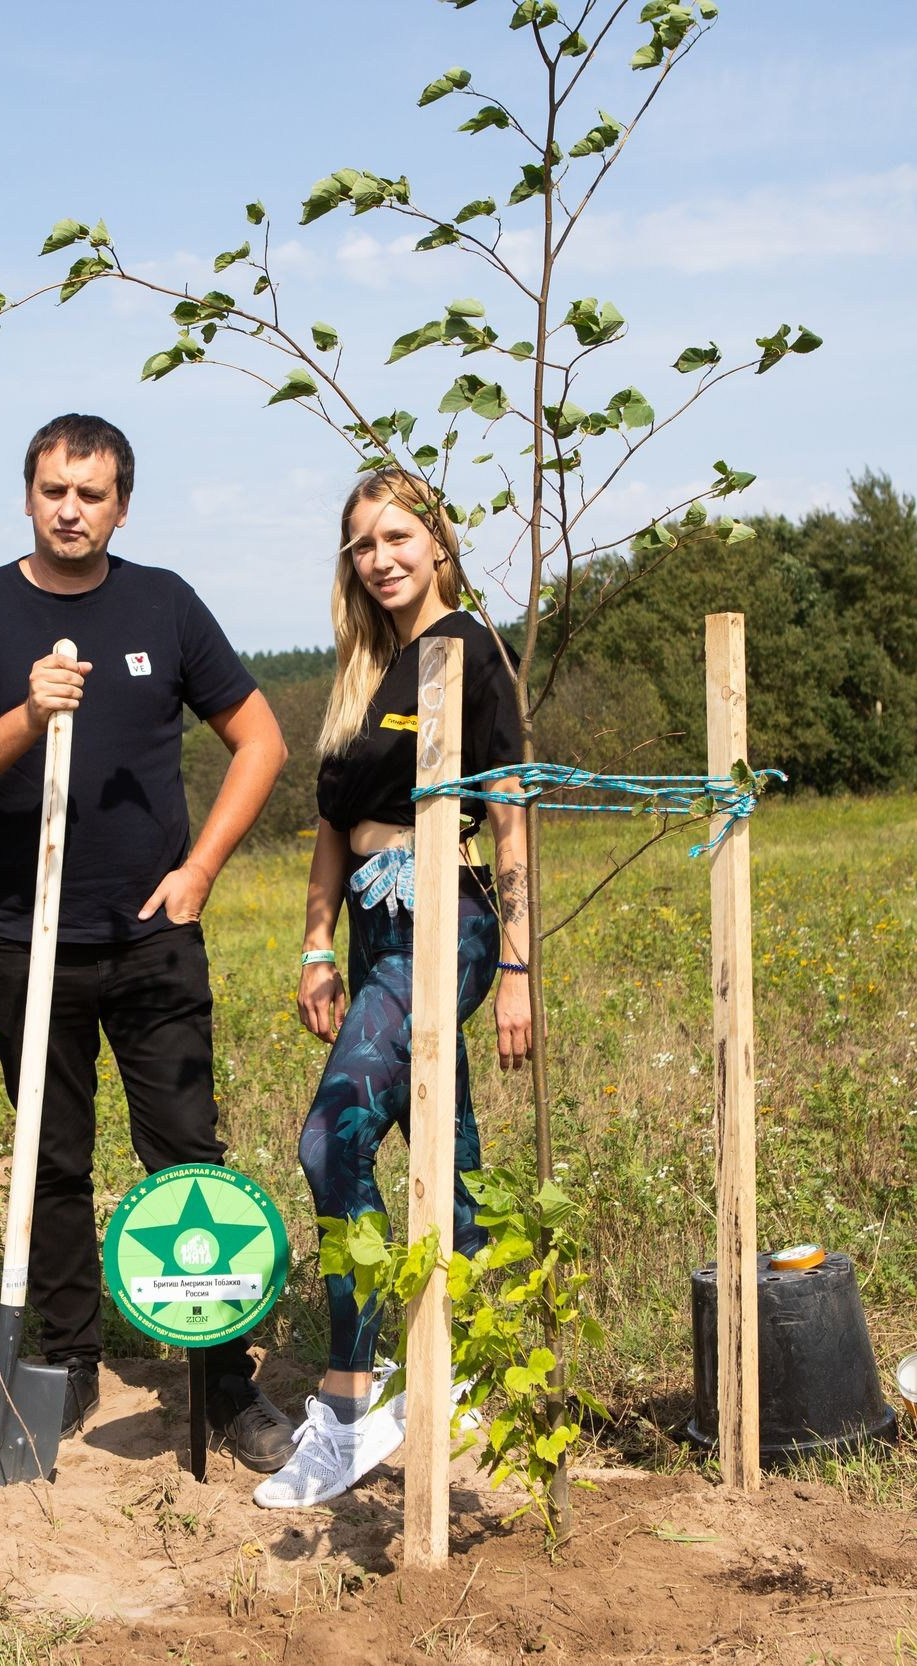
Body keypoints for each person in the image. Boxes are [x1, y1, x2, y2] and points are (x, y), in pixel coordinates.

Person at [0, 413, 297, 1470]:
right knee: (52, 1158)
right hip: (24, 936)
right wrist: (27, 716)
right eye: (53, 490)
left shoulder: (163, 602)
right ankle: (69, 1357)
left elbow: (261, 740)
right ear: (27, 496)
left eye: (91, 493)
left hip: (151, 936)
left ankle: (223, 1380)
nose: (70, 509)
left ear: (122, 506)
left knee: (188, 1157)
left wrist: (199, 871)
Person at [256, 468, 534, 1510]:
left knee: (329, 1141)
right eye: (362, 544)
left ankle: (347, 1396)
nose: (380, 558)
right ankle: (464, 1365)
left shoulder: (468, 649)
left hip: (445, 917)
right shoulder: (365, 671)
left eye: (397, 536)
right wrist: (315, 945)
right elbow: (334, 826)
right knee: (441, 1150)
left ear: (439, 543)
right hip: (374, 926)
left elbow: (507, 813)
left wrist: (518, 967)